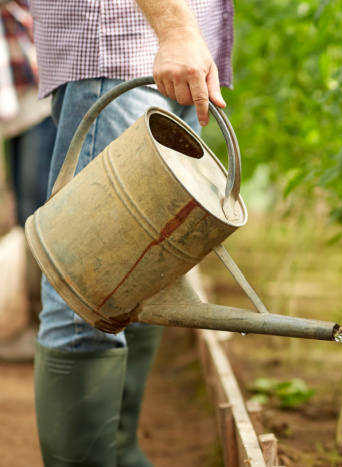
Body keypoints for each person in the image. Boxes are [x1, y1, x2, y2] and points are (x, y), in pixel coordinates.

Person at [29, 0, 233, 465]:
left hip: (165, 51)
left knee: (143, 270)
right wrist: (176, 29)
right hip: (123, 45)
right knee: (87, 287)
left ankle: (118, 451)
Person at [0, 0, 56, 362]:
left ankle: (46, 327)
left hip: (39, 107)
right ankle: (33, 324)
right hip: (16, 116)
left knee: (37, 212)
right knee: (24, 213)